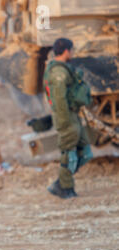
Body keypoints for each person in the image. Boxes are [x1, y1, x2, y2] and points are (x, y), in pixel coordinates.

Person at [44, 38, 93, 199]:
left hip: (72, 115)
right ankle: (64, 187)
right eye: (71, 50)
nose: (72, 53)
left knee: (85, 153)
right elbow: (59, 100)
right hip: (65, 117)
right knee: (69, 154)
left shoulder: (64, 69)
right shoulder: (58, 72)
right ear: (66, 51)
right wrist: (65, 122)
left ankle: (61, 182)